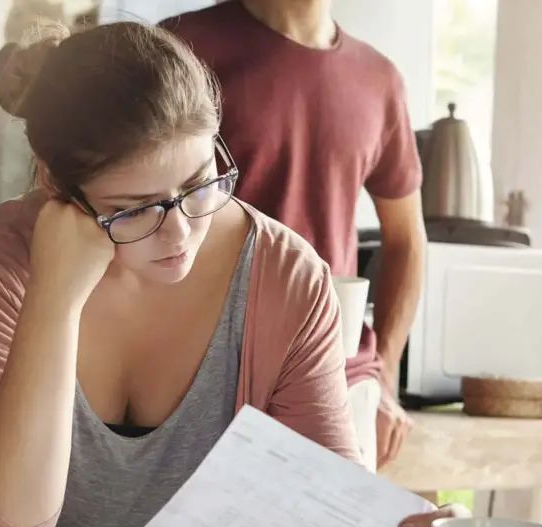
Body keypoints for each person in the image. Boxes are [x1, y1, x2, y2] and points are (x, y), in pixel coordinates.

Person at [0, 20, 455, 527]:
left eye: (199, 183)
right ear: (55, 186)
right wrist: (53, 299)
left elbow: (333, 515)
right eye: (135, 209)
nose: (180, 234)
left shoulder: (285, 275)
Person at [161, 1, 426, 468]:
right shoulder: (182, 47)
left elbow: (406, 240)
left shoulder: (379, 79)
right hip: (199, 373)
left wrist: (382, 374)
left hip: (340, 377)